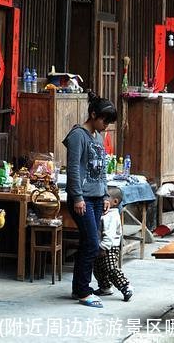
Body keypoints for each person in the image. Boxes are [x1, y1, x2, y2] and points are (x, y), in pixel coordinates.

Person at [62, 92, 117, 308]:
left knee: (88, 243)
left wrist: (105, 194)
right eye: (105, 120)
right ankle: (84, 291)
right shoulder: (78, 135)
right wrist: (77, 197)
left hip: (96, 198)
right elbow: (74, 168)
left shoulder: (98, 138)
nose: (106, 125)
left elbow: (102, 170)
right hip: (81, 198)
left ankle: (79, 288)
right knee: (93, 243)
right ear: (93, 115)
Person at [93, 185, 133, 301]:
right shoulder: (104, 213)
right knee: (98, 269)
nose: (103, 200)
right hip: (100, 245)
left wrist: (103, 247)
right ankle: (105, 287)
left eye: (106, 198)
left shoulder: (112, 215)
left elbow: (109, 234)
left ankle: (126, 286)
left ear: (115, 202)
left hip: (109, 247)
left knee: (110, 268)